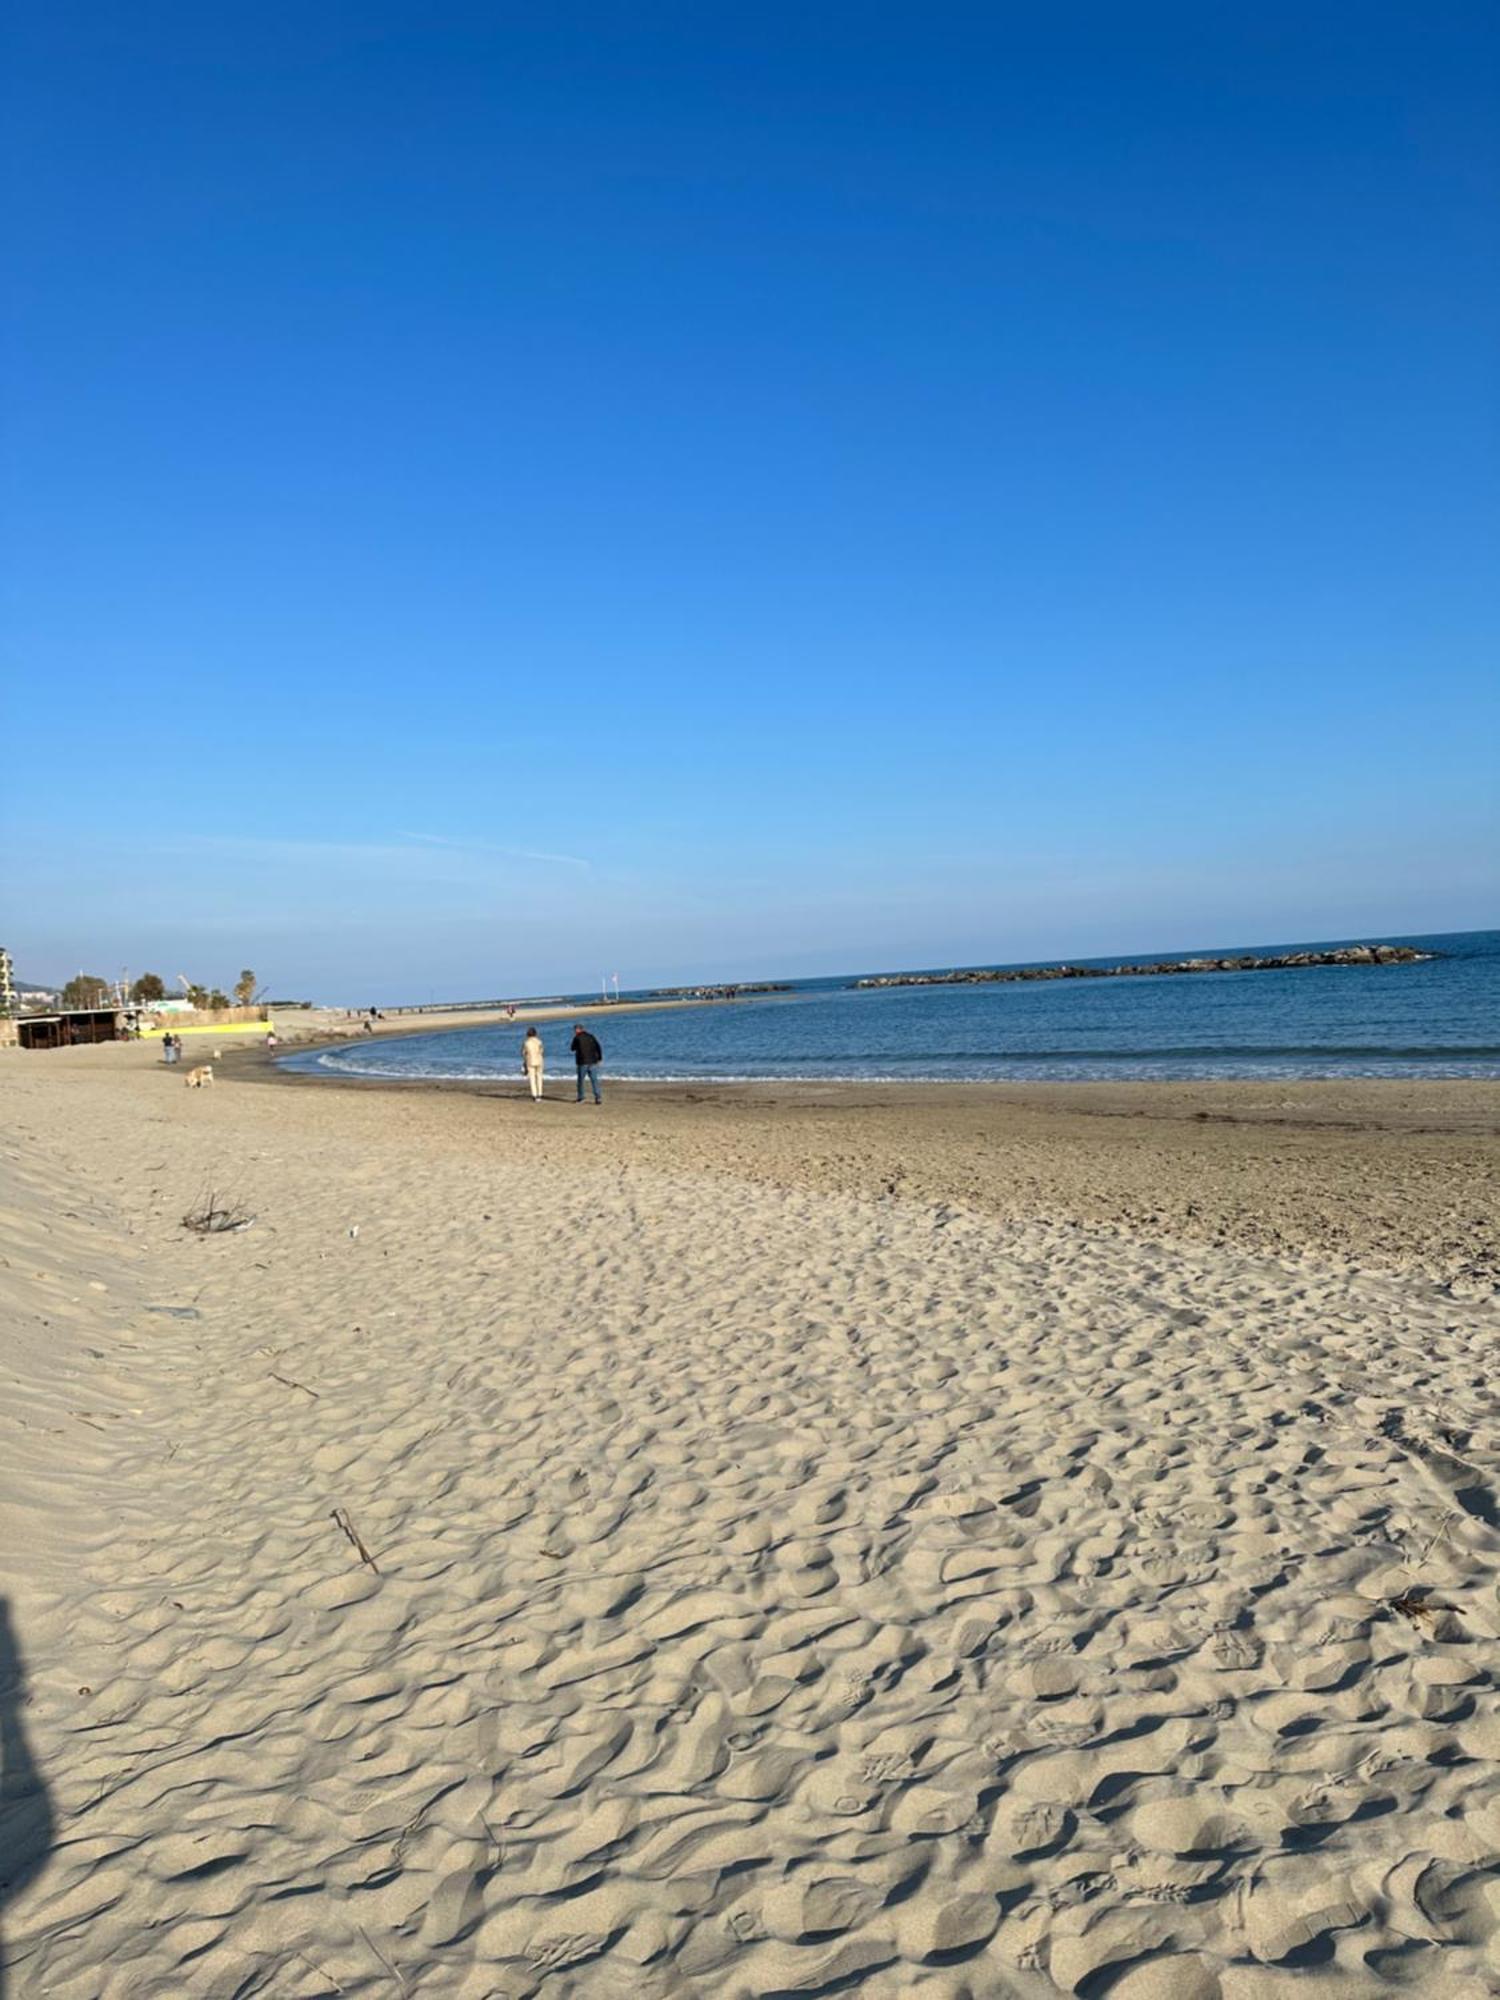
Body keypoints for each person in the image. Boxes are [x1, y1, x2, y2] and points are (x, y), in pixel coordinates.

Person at [570, 1023, 603, 1103]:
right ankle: (598, 1097)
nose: (574, 1031)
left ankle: (581, 1098)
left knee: (581, 1081)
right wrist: (600, 1058)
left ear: (578, 1030)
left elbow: (572, 1048)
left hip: (582, 1062)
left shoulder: (577, 1037)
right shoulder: (591, 1036)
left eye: (575, 1030)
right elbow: (598, 1047)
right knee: (594, 1080)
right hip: (593, 1061)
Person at [522, 1027, 545, 1102]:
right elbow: (542, 1051)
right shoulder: (539, 1041)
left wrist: (524, 1061)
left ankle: (534, 1095)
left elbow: (523, 1053)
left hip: (530, 1061)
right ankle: (540, 1094)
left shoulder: (526, 1042)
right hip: (539, 1060)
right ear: (535, 1034)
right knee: (539, 1077)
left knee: (532, 1078)